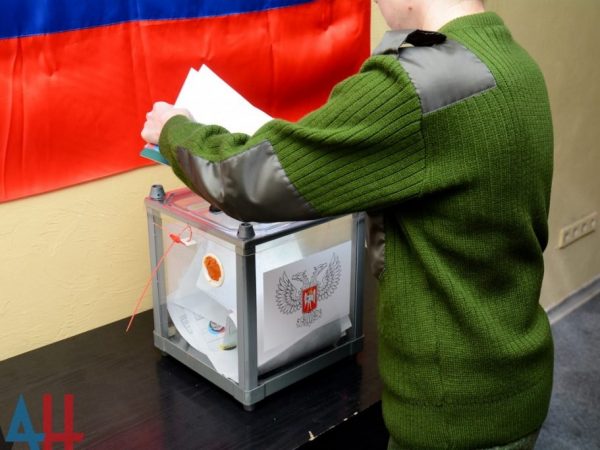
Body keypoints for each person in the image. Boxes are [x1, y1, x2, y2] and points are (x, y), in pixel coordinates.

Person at [141, 0, 554, 448]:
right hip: (516, 374)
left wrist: (175, 130)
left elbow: (247, 177)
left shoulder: (419, 85)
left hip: (451, 414)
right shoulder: (516, 64)